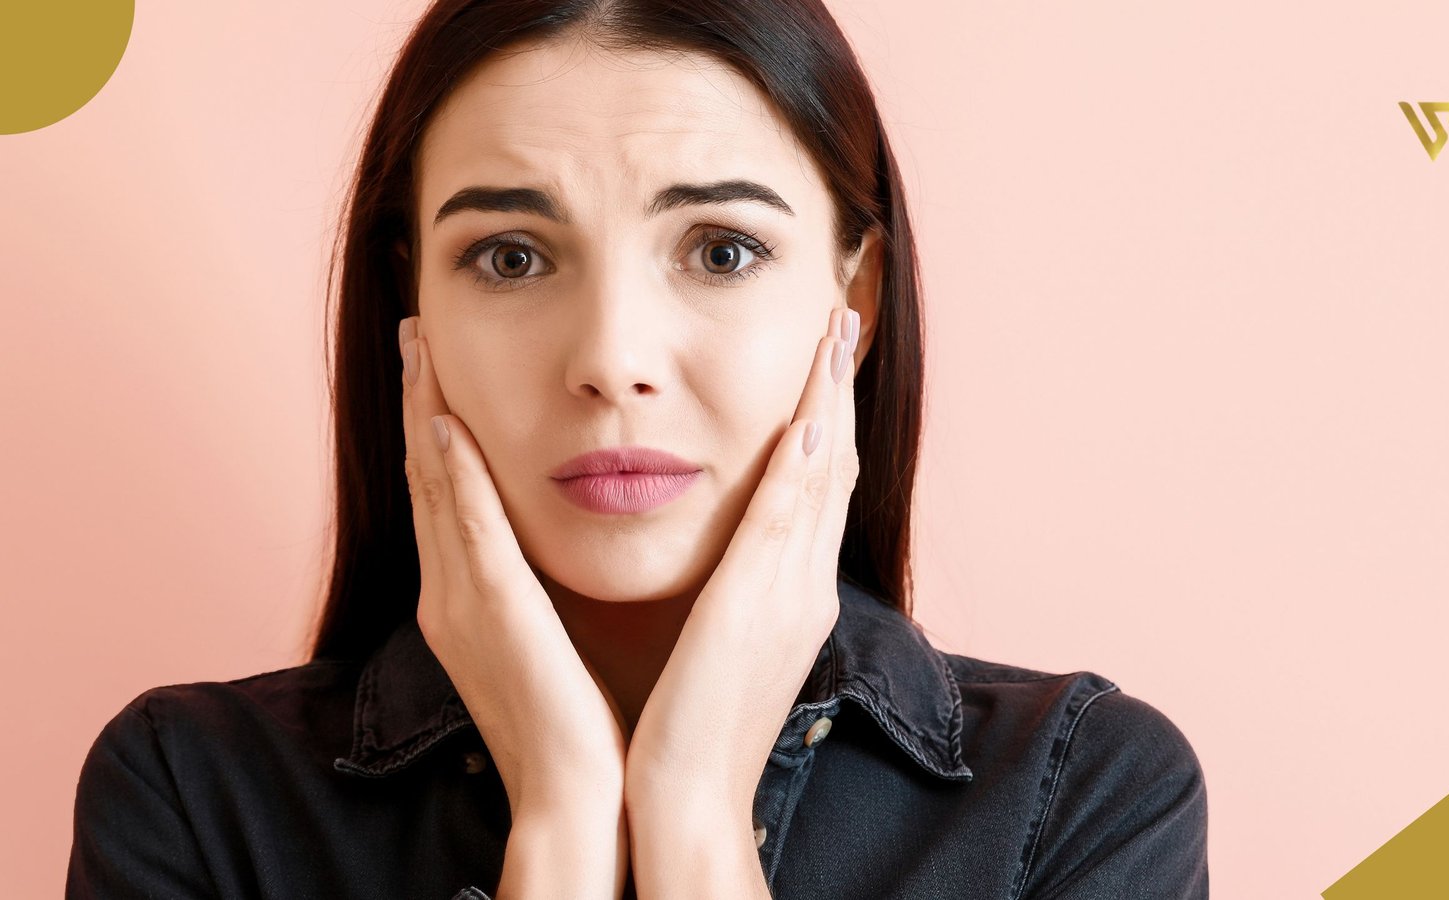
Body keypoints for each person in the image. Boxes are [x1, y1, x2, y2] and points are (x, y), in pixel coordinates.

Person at [66, 1, 1209, 897]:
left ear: (850, 295)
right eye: (510, 257)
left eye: (719, 250)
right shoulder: (194, 795)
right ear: (409, 303)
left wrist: (696, 815)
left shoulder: (1079, 798)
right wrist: (562, 824)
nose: (611, 359)